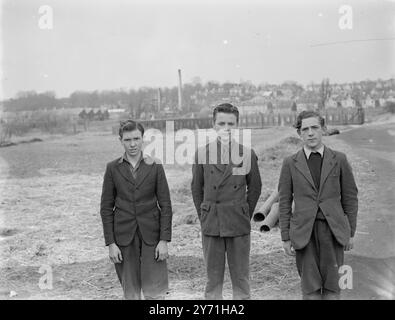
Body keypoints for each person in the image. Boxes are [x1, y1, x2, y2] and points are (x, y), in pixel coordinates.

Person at [278, 110, 358, 300]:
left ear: (324, 129)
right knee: (310, 289)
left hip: (333, 231)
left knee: (334, 287)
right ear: (299, 134)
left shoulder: (339, 159)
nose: (311, 133)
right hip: (304, 233)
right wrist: (285, 237)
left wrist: (351, 232)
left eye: (315, 127)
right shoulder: (290, 163)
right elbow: (284, 202)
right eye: (305, 129)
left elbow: (350, 198)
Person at [191, 103, 262, 300]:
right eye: (221, 123)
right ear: (213, 125)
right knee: (213, 280)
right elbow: (196, 188)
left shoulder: (247, 154)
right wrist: (204, 215)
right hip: (212, 222)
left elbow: (255, 188)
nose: (226, 128)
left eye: (231, 123)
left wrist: (244, 214)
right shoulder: (202, 154)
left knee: (241, 278)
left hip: (237, 222)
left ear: (237, 125)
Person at [100, 120, 172, 300]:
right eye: (127, 140)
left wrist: (164, 240)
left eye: (136, 139)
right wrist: (111, 243)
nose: (132, 144)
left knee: (155, 292)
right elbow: (106, 208)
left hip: (152, 237)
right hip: (123, 237)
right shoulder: (112, 168)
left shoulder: (155, 166)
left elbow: (166, 205)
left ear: (143, 139)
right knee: (130, 293)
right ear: (120, 141)